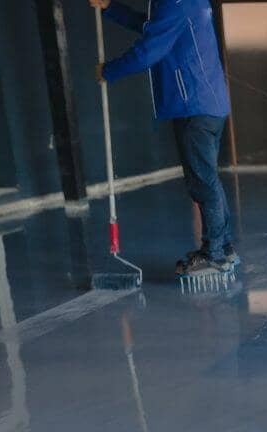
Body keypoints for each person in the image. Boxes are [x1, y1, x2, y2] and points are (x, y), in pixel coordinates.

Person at [89, 0, 238, 277]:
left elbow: (148, 51)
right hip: (208, 102)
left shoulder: (174, 3)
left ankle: (214, 254)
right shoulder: (184, 2)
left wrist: (108, 71)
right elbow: (150, 27)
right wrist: (110, 7)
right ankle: (223, 247)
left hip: (194, 105)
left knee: (203, 183)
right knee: (207, 180)